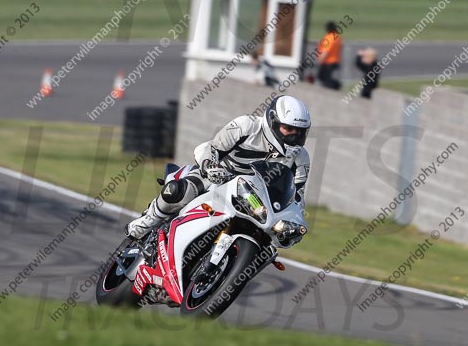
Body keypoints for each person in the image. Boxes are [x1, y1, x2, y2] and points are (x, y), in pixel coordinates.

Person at [125, 95, 312, 242]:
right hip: (219, 177)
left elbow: (297, 197)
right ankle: (147, 221)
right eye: (288, 129)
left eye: (299, 132)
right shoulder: (246, 126)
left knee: (267, 244)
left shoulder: (301, 158)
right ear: (273, 121)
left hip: (255, 201)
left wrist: (296, 223)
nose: (294, 137)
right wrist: (210, 166)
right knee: (178, 191)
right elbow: (213, 148)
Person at [316, 21, 342, 90]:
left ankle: (336, 86)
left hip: (328, 62)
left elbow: (325, 51)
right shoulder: (337, 37)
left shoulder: (329, 37)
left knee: (323, 78)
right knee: (326, 78)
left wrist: (320, 60)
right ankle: (335, 86)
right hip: (335, 60)